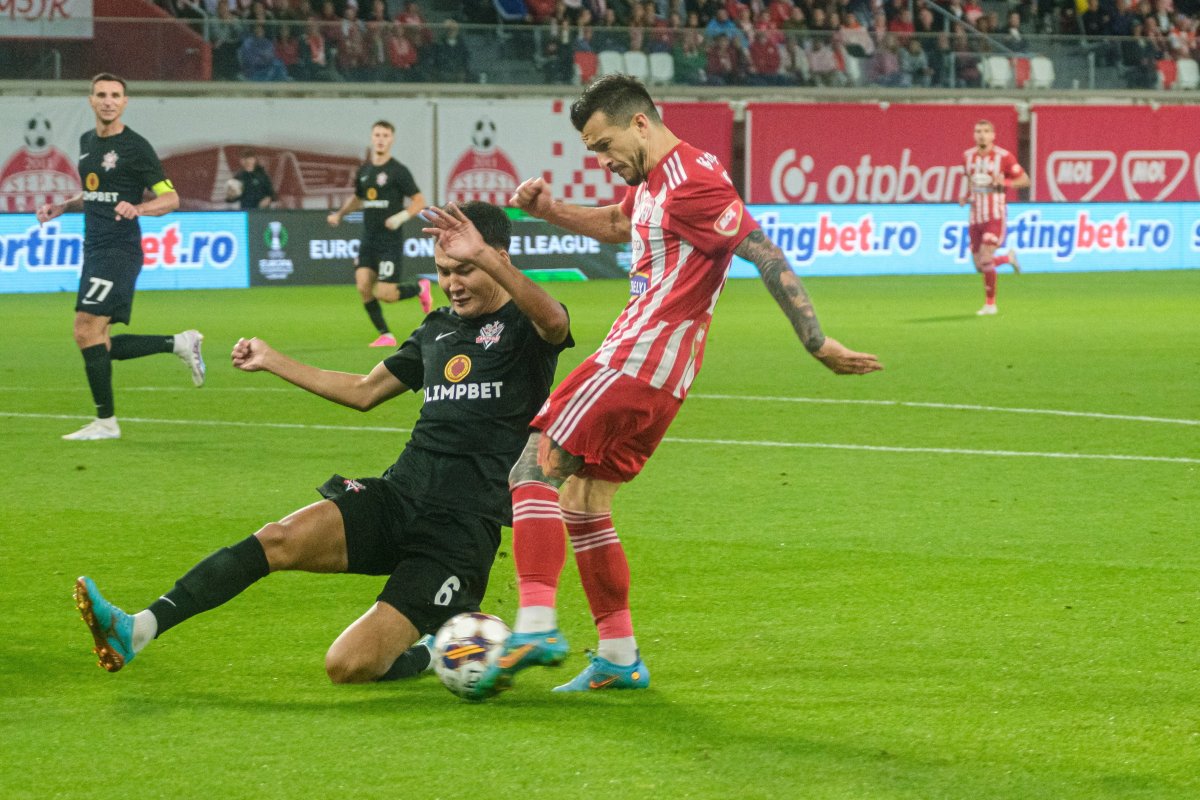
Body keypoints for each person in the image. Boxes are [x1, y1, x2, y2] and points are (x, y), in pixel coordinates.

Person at [473, 75, 882, 698]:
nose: (603, 161)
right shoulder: (653, 183)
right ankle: (618, 656)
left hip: (634, 361)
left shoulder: (694, 180)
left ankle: (534, 625)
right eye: (592, 152)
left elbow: (763, 251)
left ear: (641, 122)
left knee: (532, 470)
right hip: (663, 377)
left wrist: (816, 341)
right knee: (584, 501)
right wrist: (551, 211)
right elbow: (620, 223)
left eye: (605, 144)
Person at [74, 200, 574, 683]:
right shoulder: (437, 328)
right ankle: (137, 629)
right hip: (399, 497)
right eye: (443, 270)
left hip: (461, 531)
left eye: (465, 269)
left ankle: (430, 649)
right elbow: (364, 391)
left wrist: (483, 254)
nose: (451, 285)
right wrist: (274, 360)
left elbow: (555, 321)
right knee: (278, 538)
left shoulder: (526, 325)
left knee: (348, 666)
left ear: (499, 259)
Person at [36, 74, 205, 442]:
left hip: (118, 251)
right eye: (101, 95)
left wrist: (140, 208)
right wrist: (64, 206)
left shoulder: (135, 147)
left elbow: (170, 198)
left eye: (115, 95)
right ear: (91, 100)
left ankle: (106, 423)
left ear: (125, 102)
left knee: (85, 329)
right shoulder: (86, 143)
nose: (108, 101)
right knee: (97, 339)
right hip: (93, 249)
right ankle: (178, 343)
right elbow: (94, 194)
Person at [327, 121, 433, 348]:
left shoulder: (398, 171)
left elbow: (419, 201)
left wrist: (399, 218)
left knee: (387, 294)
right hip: (368, 238)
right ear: (371, 138)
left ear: (391, 139)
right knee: (363, 285)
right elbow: (358, 198)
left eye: (385, 135)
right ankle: (386, 334)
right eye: (377, 134)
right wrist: (340, 214)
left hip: (389, 242)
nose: (381, 139)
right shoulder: (365, 171)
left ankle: (420, 287)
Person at [958, 119, 1029, 316]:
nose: (982, 135)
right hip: (975, 217)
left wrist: (1004, 182)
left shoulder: (1004, 157)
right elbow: (971, 181)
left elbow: (1025, 180)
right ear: (974, 135)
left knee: (986, 258)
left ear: (993, 135)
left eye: (986, 131)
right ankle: (1008, 258)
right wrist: (965, 195)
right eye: (978, 131)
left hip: (994, 216)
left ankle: (990, 304)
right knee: (980, 266)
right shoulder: (967, 157)